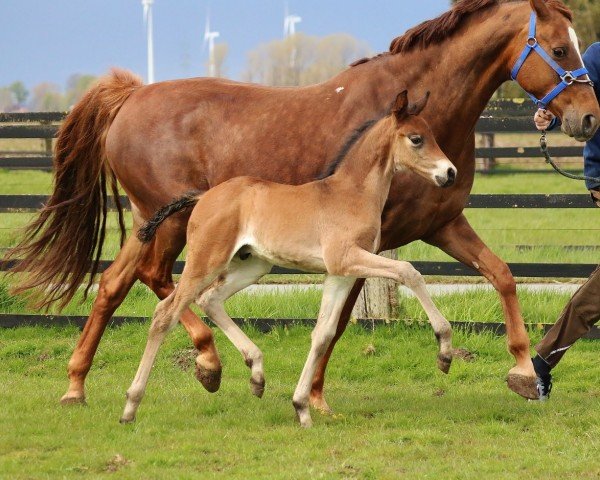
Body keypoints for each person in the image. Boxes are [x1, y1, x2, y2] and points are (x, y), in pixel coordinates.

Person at [532, 42, 600, 399]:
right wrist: (547, 113)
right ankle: (542, 361)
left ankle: (542, 362)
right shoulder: (597, 56)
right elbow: (570, 91)